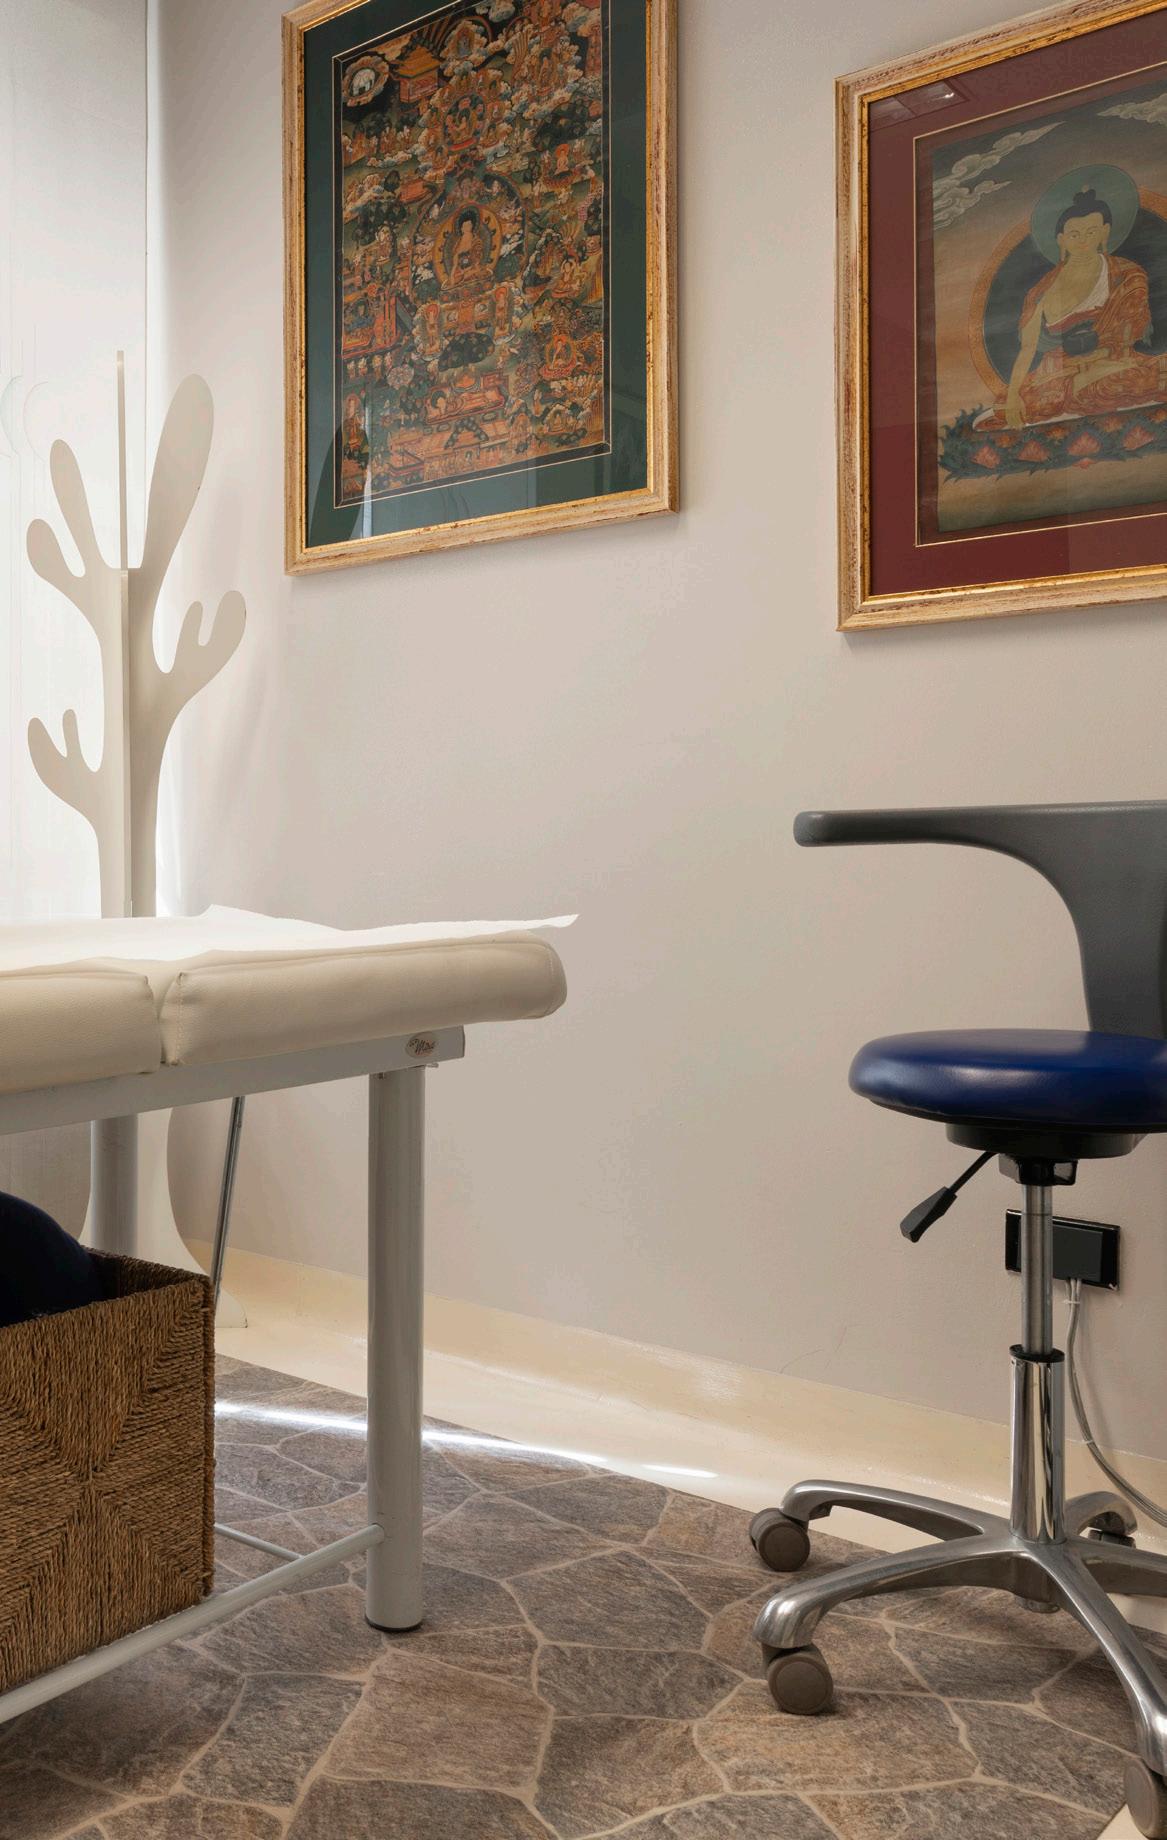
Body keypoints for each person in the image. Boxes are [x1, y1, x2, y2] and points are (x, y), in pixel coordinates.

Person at [1003, 186, 1166, 428]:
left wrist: (1105, 362)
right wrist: (1012, 395)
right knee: (1034, 401)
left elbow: (1129, 336)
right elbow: (1028, 348)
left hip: (1116, 363)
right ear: (1061, 240)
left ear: (1104, 232)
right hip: (1058, 376)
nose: (1083, 240)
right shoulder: (1041, 291)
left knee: (1135, 376)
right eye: (1074, 234)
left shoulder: (1126, 275)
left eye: (1091, 232)